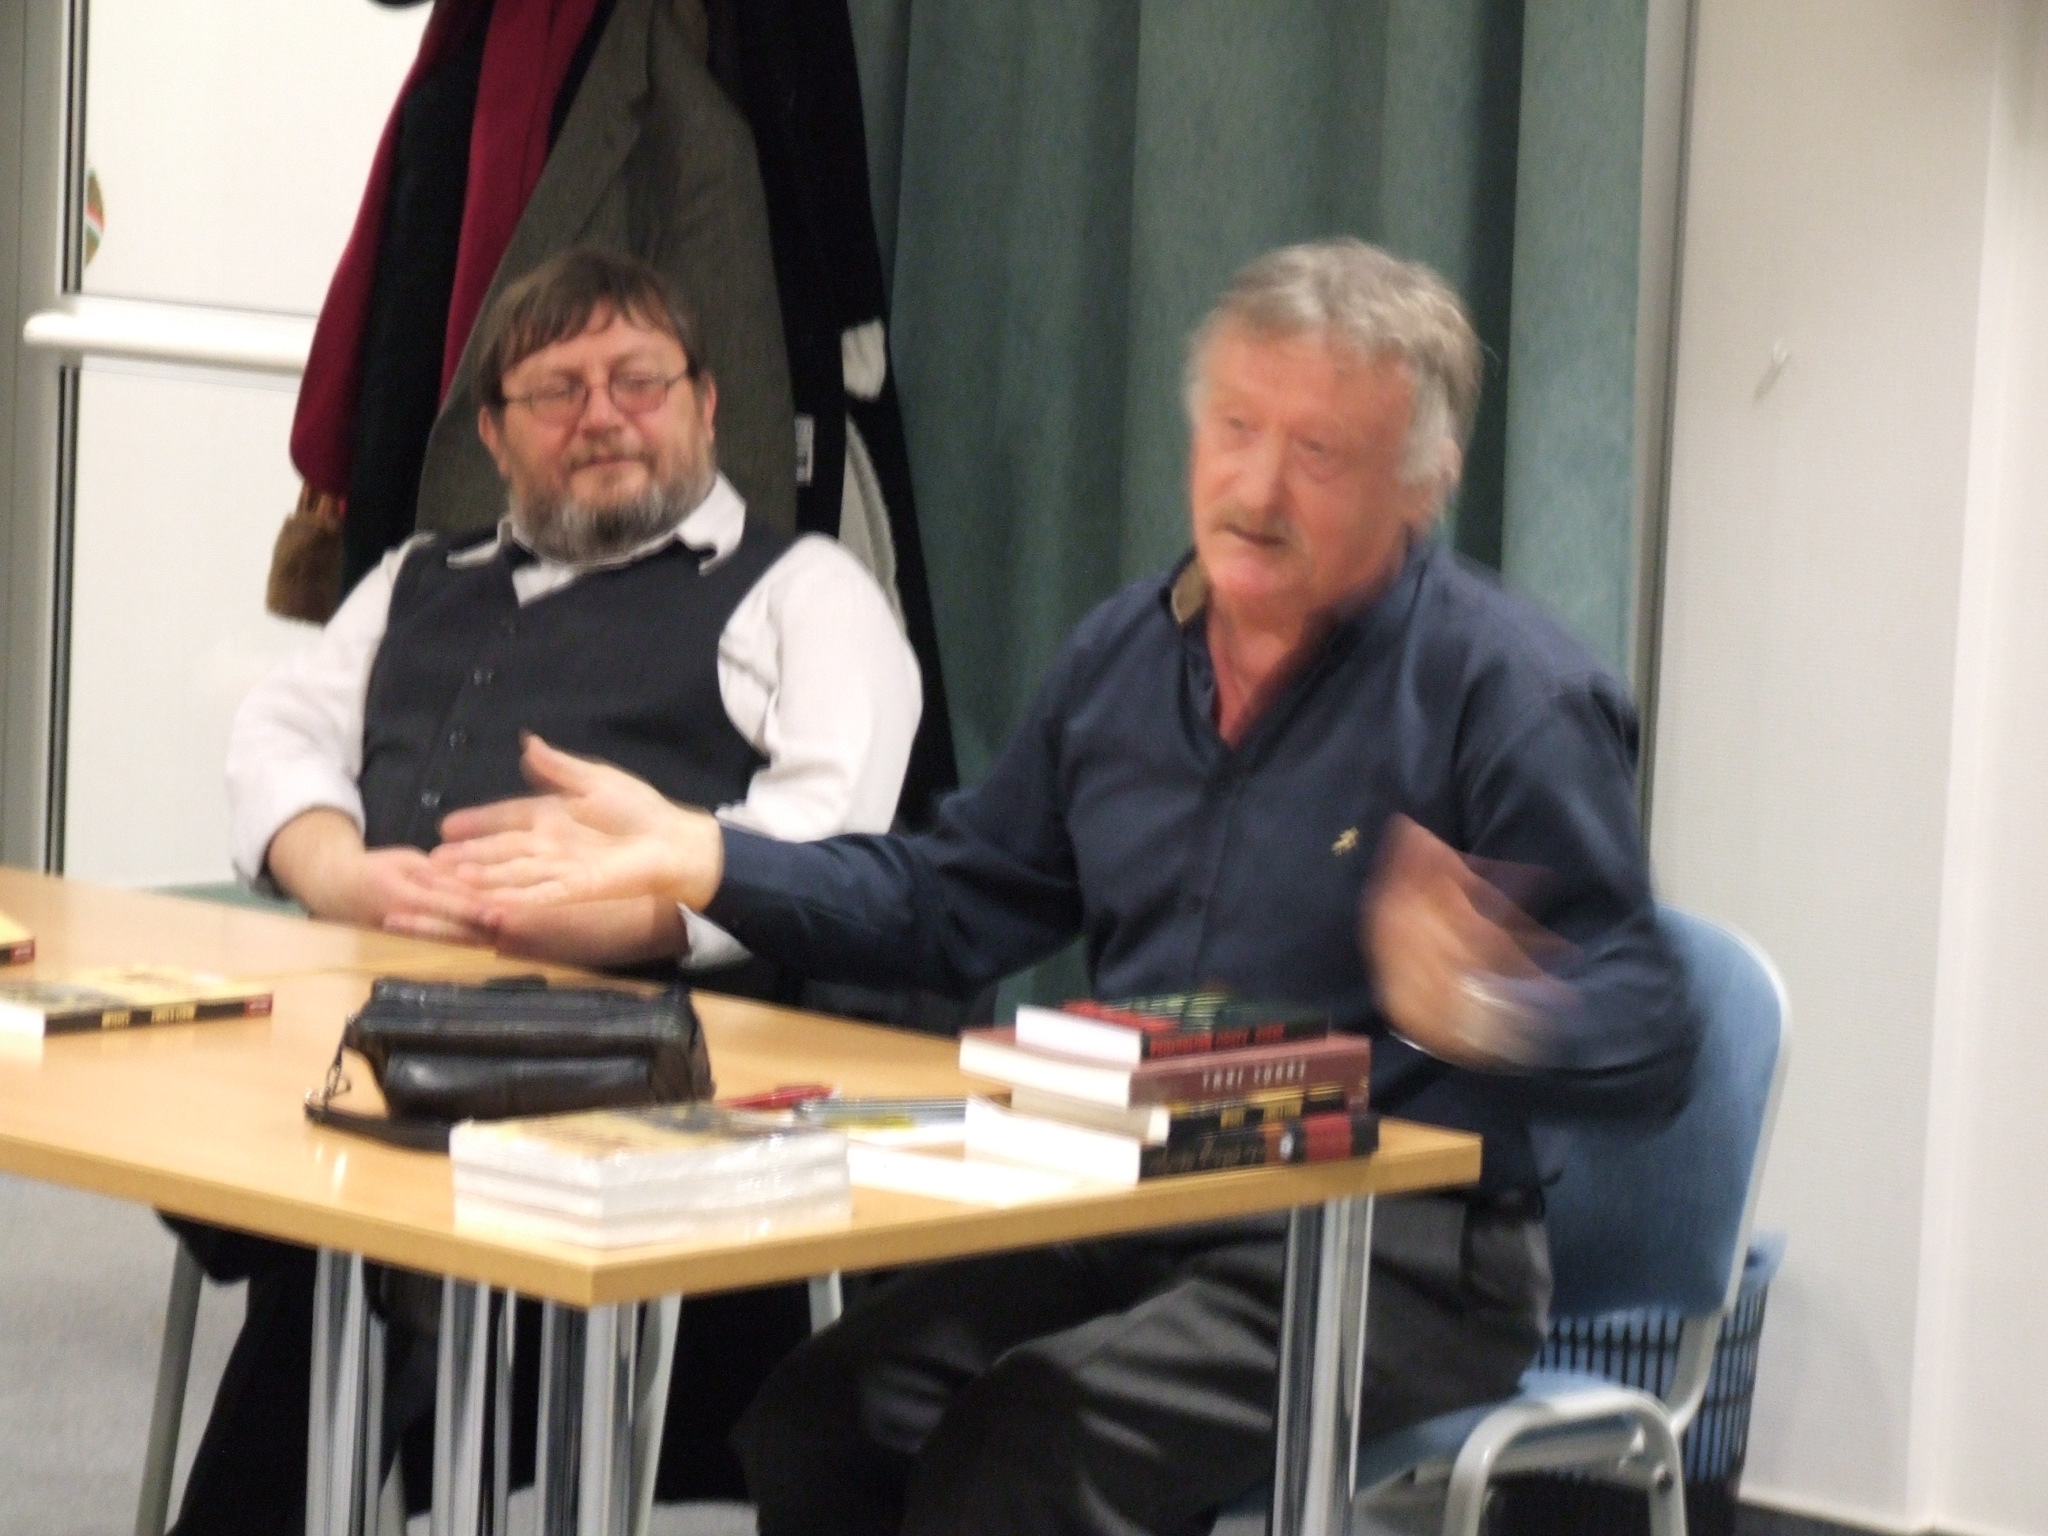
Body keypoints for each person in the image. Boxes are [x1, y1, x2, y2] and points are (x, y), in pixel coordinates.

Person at [435, 238, 1699, 1536]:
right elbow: (951, 902)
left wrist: (1493, 1006)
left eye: (1320, 454)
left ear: (1420, 484)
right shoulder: (1126, 659)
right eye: (1235, 429)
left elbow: (1654, 1036)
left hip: (1395, 1257)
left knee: (1023, 1455)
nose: (1256, 488)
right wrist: (707, 856)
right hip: (1129, 1204)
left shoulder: (1510, 693)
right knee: (821, 1415)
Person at [170, 245, 919, 1536]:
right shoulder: (414, 575)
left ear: (706, 406)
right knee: (250, 1144)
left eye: (639, 381)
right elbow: (278, 734)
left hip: (666, 1083)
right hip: (382, 1039)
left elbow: (827, 839)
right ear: (495, 436)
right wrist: (338, 871)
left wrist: (617, 906)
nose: (602, 416)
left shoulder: (805, 593)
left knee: (341, 1243)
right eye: (557, 391)